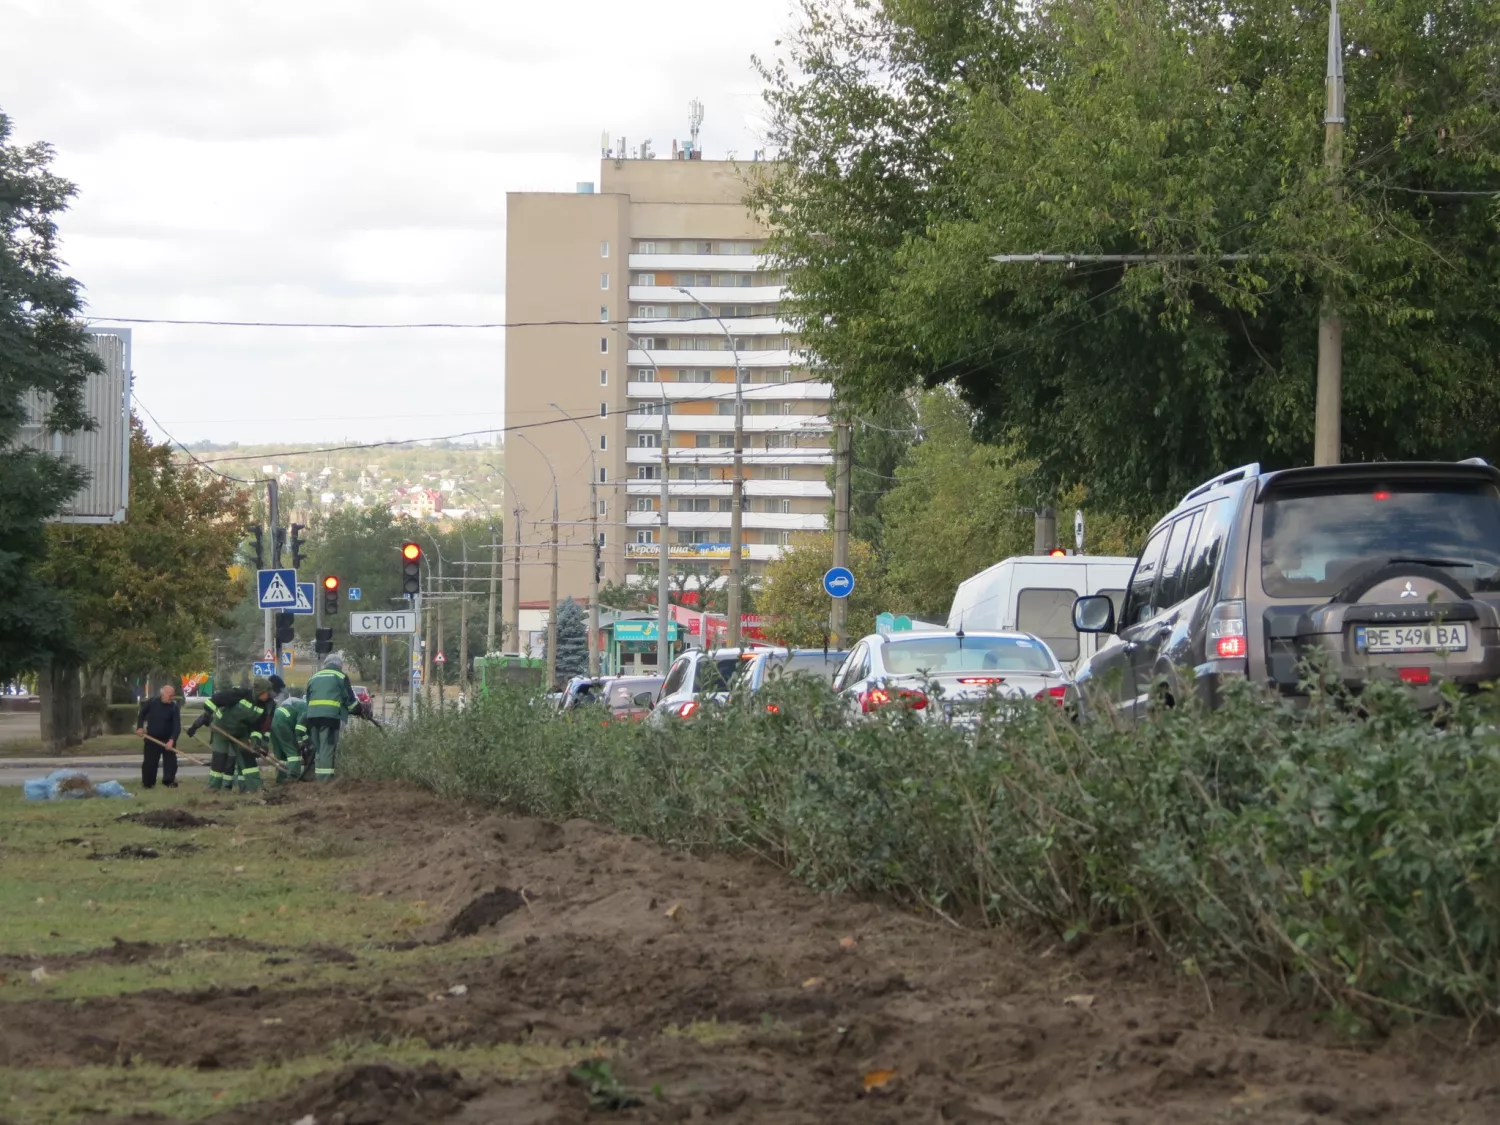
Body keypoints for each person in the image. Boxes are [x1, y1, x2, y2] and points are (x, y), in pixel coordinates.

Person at [186, 677, 276, 793]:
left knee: (248, 757)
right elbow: (215, 699)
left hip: (240, 732)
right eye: (267, 693)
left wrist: (256, 744)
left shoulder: (263, 707)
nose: (269, 696)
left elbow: (257, 728)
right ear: (260, 691)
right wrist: (208, 713)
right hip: (221, 728)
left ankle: (256, 787)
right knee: (220, 758)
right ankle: (213, 788)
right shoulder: (240, 694)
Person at [304, 654, 360, 782]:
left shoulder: (314, 677)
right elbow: (349, 700)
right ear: (340, 665)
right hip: (330, 717)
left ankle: (319, 779)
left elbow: (308, 699)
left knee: (318, 749)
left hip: (312, 717)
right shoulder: (340, 676)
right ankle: (326, 781)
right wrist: (358, 709)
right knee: (327, 749)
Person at [134, 683, 183, 789]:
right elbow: (141, 714)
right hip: (152, 738)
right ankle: (148, 783)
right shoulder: (152, 702)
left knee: (171, 762)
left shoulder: (174, 707)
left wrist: (172, 740)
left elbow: (177, 727)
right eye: (170, 695)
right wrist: (139, 727)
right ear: (162, 695)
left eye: (173, 695)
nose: (172, 698)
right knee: (149, 763)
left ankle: (169, 781)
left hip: (168, 739)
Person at [269, 693, 309, 783]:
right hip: (284, 721)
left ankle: (281, 779)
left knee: (281, 755)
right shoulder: (306, 707)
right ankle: (293, 778)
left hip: (274, 719)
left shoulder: (297, 703)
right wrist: (300, 741)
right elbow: (299, 728)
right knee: (293, 753)